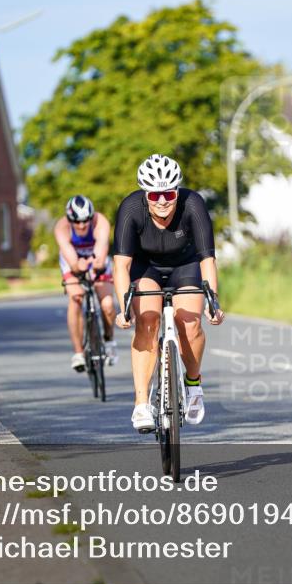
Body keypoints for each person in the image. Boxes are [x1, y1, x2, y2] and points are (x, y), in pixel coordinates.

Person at [113, 154, 224, 432]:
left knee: (190, 323)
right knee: (147, 321)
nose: (162, 201)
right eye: (154, 195)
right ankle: (141, 404)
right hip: (145, 268)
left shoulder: (193, 204)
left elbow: (207, 260)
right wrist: (123, 307)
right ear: (145, 194)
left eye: (169, 193)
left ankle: (193, 383)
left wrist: (213, 301)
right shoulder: (130, 208)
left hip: (184, 267)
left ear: (177, 191)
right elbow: (121, 265)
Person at [54, 194, 117, 371]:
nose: (81, 225)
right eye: (77, 222)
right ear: (69, 219)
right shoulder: (61, 227)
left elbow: (101, 250)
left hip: (96, 258)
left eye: (85, 221)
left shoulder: (100, 222)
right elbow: (70, 257)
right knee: (76, 298)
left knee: (108, 304)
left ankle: (109, 339)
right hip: (72, 261)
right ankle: (78, 352)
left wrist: (95, 264)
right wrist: (77, 266)